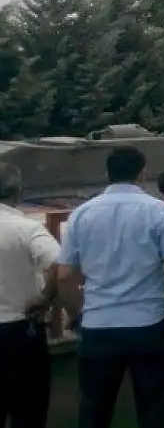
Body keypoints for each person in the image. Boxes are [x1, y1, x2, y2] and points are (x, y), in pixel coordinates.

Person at [56, 146, 164, 428]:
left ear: (107, 173)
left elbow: (63, 275)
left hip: (98, 325)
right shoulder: (158, 211)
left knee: (95, 409)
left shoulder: (82, 214)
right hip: (148, 324)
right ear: (142, 172)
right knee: (154, 408)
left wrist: (78, 312)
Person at [0, 163, 60, 428]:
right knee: (29, 412)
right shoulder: (26, 228)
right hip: (20, 331)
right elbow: (60, 266)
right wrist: (46, 297)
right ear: (18, 191)